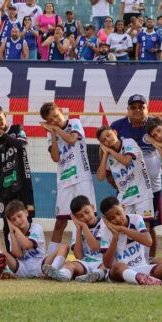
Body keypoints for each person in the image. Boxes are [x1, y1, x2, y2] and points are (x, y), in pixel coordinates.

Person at [40, 102, 97, 256]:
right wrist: (52, 133)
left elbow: (72, 140)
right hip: (64, 181)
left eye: (56, 116)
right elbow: (56, 157)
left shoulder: (74, 123)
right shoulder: (51, 134)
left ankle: (90, 254)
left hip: (81, 179)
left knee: (87, 218)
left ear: (61, 111)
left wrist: (56, 128)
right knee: (60, 222)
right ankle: (49, 257)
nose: (55, 120)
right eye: (50, 120)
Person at [110, 95, 162, 256]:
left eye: (142, 107)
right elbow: (111, 155)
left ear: (147, 108)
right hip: (128, 188)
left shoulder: (155, 125)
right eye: (133, 107)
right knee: (124, 222)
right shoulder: (117, 126)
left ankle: (149, 259)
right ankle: (125, 257)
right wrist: (117, 185)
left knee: (149, 225)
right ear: (128, 110)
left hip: (152, 187)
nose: (138, 110)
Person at [0, 104, 35, 251]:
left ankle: (31, 253)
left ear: (5, 115)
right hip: (6, 188)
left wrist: (3, 133)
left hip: (22, 184)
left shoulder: (16, 129)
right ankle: (11, 255)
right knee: (8, 222)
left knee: (26, 219)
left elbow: (20, 144)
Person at [96, 125, 154, 226]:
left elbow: (126, 161)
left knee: (144, 225)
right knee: (122, 225)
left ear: (115, 132)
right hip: (125, 195)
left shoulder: (128, 142)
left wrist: (110, 151)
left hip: (142, 190)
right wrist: (105, 154)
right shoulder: (108, 155)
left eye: (108, 135)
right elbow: (100, 177)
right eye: (104, 140)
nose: (107, 139)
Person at [3, 200, 69, 280]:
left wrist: (15, 229)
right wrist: (12, 231)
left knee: (64, 247)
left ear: (26, 213)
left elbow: (26, 245)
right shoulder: (11, 234)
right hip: (22, 268)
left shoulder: (36, 227)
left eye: (19, 216)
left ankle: (52, 271)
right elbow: (18, 254)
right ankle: (2, 271)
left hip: (40, 265)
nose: (18, 221)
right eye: (13, 220)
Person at [58, 195, 108, 283]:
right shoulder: (77, 227)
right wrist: (78, 229)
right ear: (76, 218)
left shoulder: (104, 223)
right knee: (69, 264)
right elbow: (79, 256)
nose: (85, 217)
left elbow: (95, 247)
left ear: (92, 207)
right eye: (80, 216)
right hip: (85, 262)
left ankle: (95, 275)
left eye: (87, 212)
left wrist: (84, 226)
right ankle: (63, 275)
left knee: (106, 266)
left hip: (102, 261)